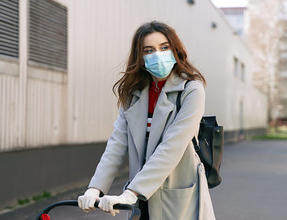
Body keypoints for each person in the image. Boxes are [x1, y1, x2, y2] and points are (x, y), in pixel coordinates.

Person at [77, 21, 215, 220]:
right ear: (140, 58)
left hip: (176, 193)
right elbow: (116, 144)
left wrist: (132, 192)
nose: (158, 55)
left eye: (164, 47)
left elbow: (172, 146)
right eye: (149, 50)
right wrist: (95, 188)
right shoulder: (134, 94)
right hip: (139, 195)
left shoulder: (191, 89)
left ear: (175, 50)